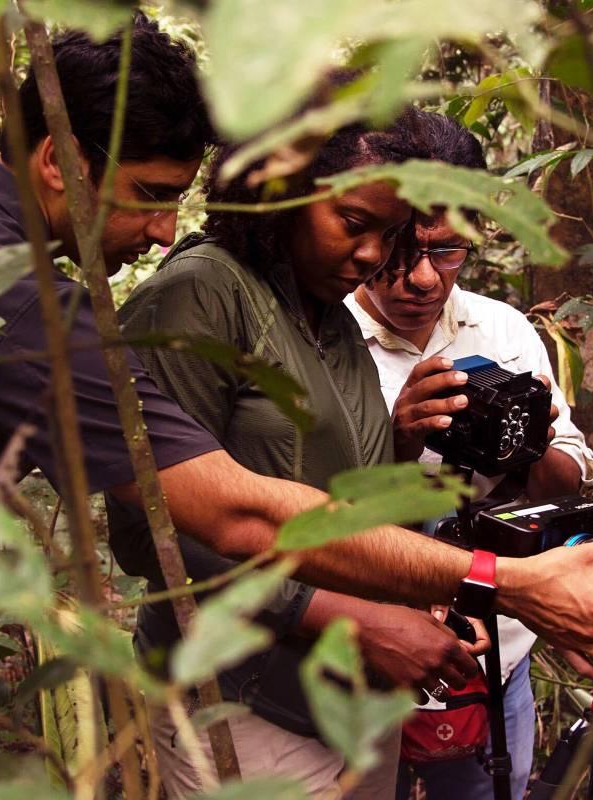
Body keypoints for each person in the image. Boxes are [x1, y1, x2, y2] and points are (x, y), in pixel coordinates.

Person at [0, 19, 593, 800]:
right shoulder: (30, 305)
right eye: (153, 196)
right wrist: (509, 582)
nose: (163, 230)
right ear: (57, 163)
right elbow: (225, 511)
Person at [108, 100, 486, 799]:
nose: (373, 255)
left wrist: (415, 597)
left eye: (391, 232)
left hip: (350, 700)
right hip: (239, 703)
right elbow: (147, 532)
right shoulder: (200, 295)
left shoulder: (332, 317)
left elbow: (340, 501)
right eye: (352, 223)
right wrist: (354, 617)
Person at [344, 111, 593, 800]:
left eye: (450, 250)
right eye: (402, 249)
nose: (424, 280)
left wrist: (533, 446)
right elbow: (305, 516)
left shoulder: (503, 329)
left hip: (498, 659)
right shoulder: (326, 333)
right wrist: (401, 434)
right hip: (367, 659)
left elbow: (575, 482)